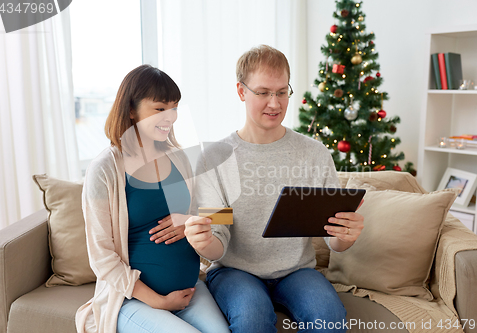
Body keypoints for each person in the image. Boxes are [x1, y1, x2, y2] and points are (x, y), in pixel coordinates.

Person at [184, 45, 365, 333]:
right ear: (242, 92)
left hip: (296, 271)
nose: (274, 103)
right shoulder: (216, 158)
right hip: (234, 271)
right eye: (264, 92)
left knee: (329, 319)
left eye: (282, 92)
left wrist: (346, 236)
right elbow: (217, 245)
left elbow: (333, 240)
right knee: (252, 319)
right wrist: (203, 242)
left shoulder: (314, 154)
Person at [75, 65, 229, 333]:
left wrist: (189, 220)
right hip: (132, 300)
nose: (170, 117)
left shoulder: (179, 158)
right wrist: (158, 301)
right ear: (131, 110)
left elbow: (222, 213)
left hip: (190, 290)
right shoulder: (105, 168)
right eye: (160, 109)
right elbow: (101, 257)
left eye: (174, 107)